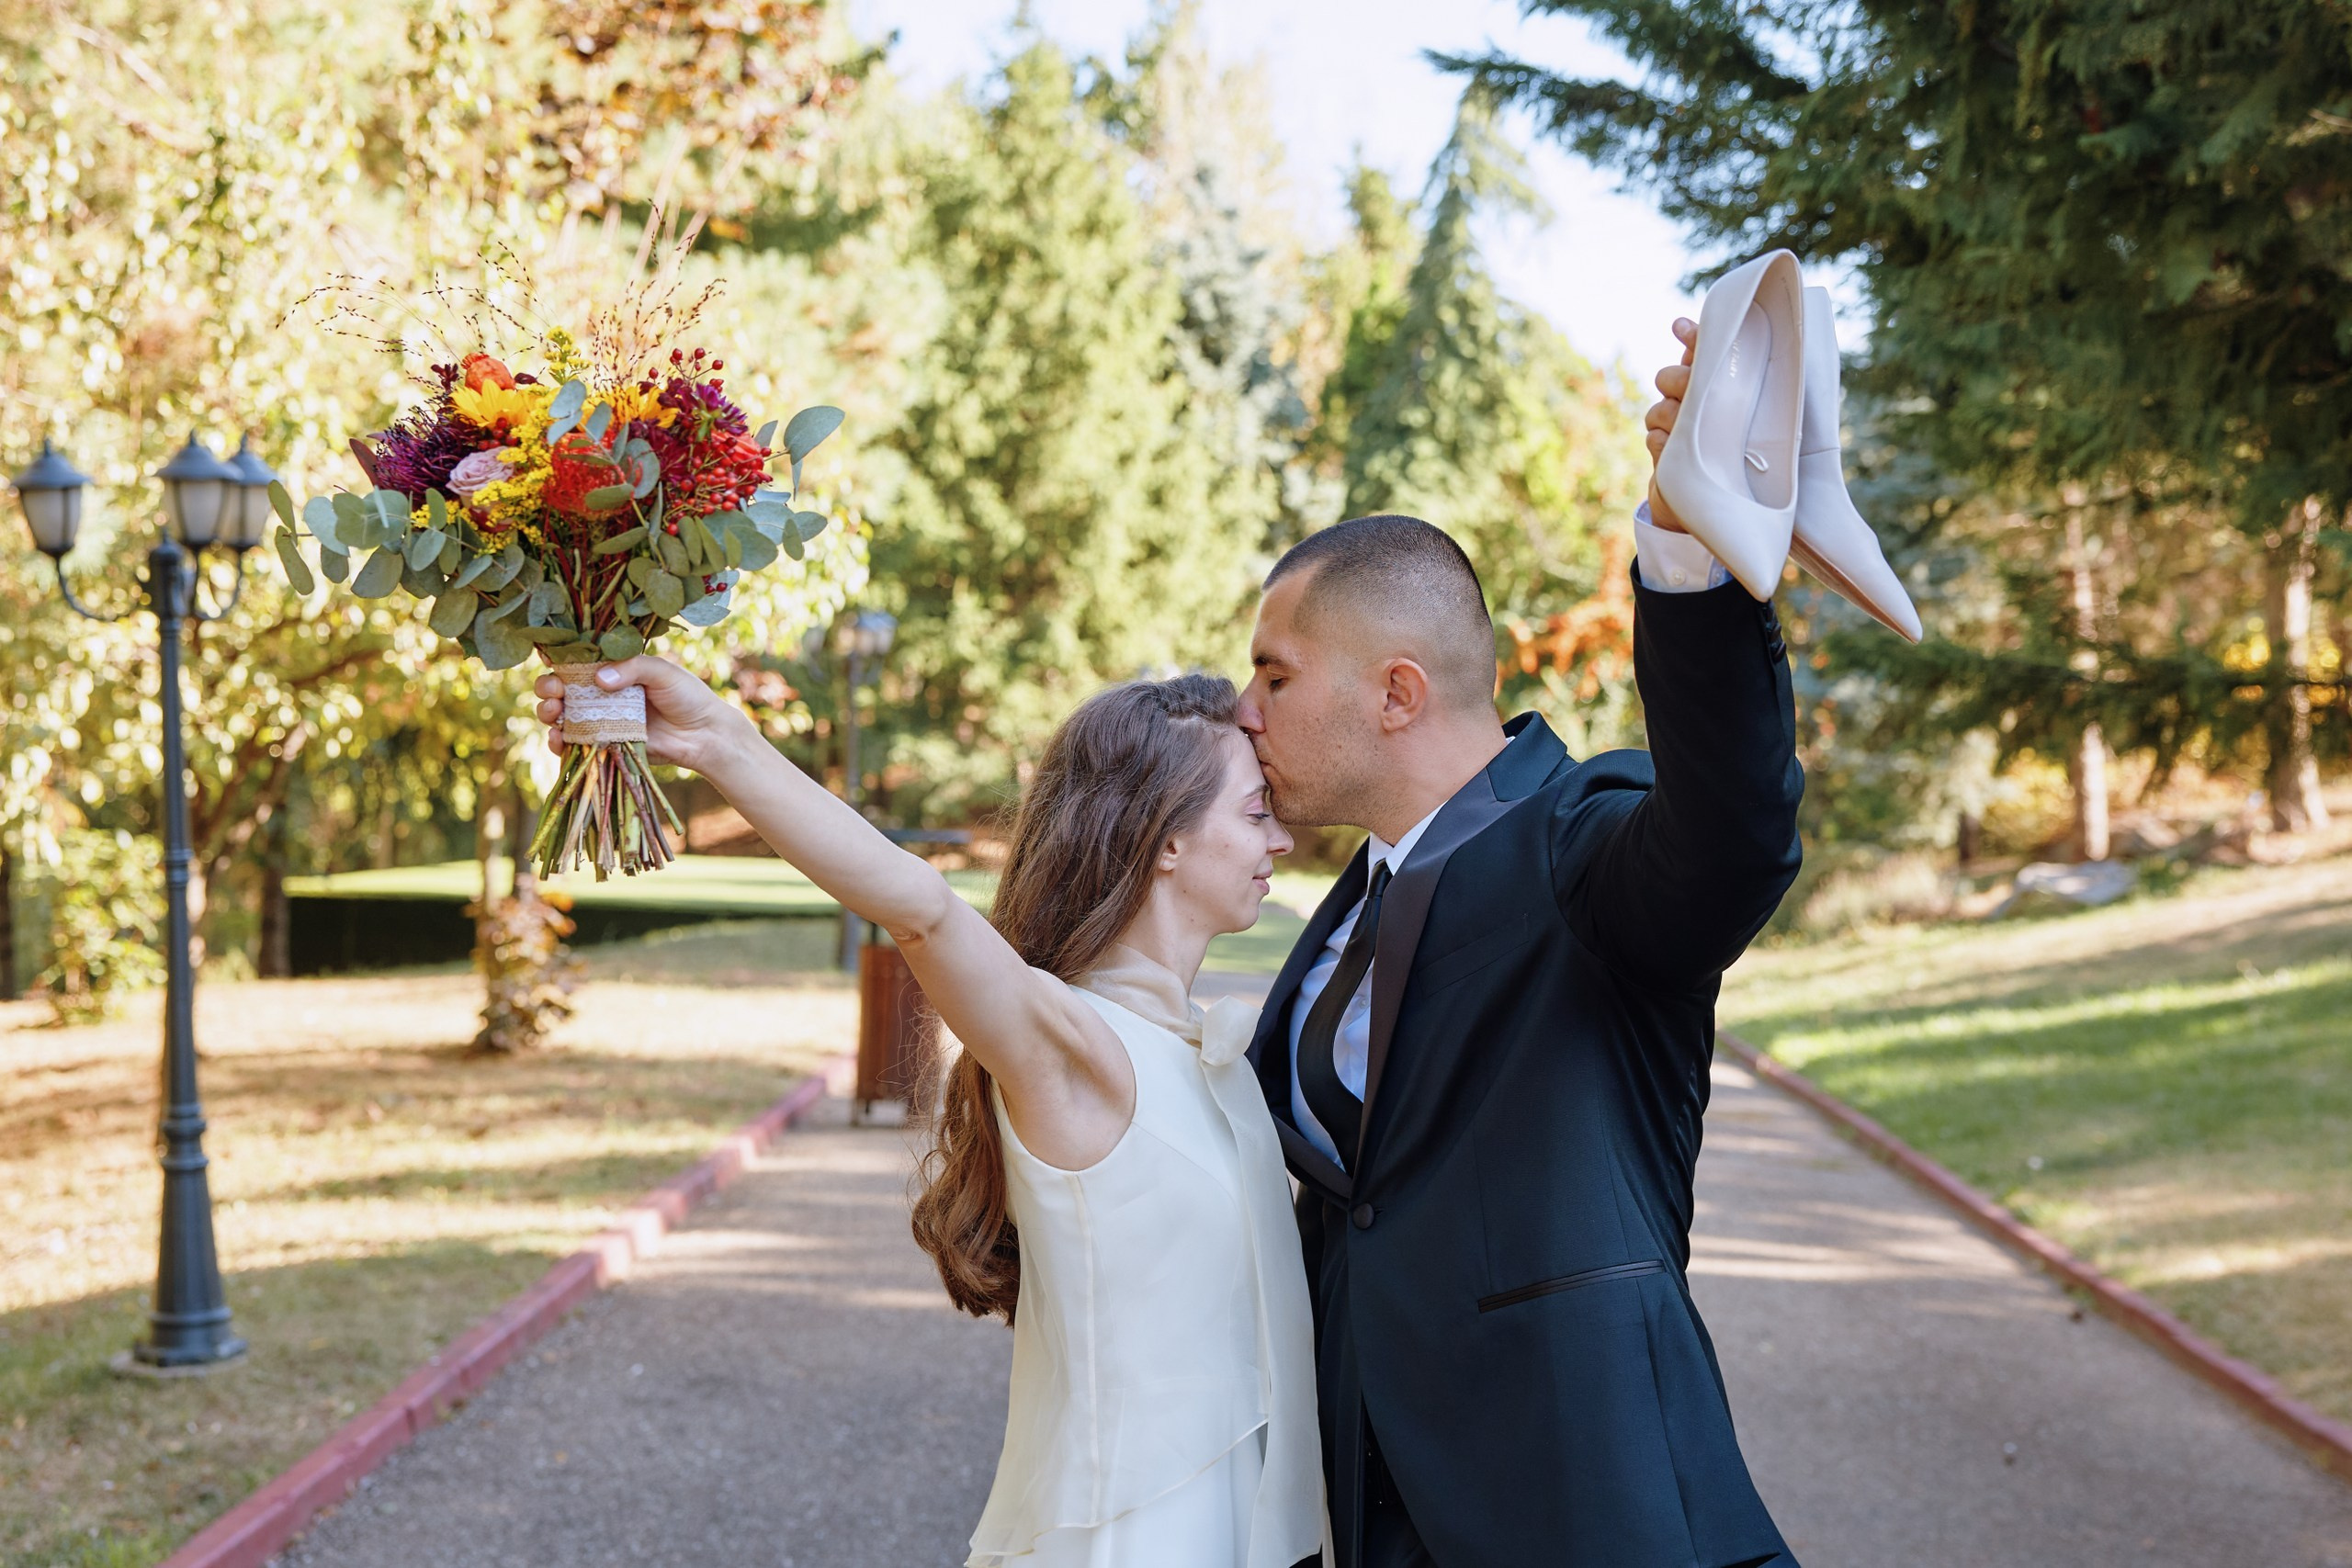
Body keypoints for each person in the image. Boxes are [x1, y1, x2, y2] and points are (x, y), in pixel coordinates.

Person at [534, 666, 1329, 1568]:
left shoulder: (1197, 1051)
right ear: (1166, 841)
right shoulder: (1076, 1044)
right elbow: (922, 912)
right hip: (1132, 1539)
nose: (1283, 839)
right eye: (1254, 812)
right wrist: (720, 738)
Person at [1234, 317, 1806, 1567]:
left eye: (1272, 674)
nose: (1243, 708)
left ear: (1396, 692)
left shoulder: (1578, 848)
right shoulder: (1338, 920)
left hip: (1599, 1514)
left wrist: (1685, 551)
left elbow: (1738, 835)